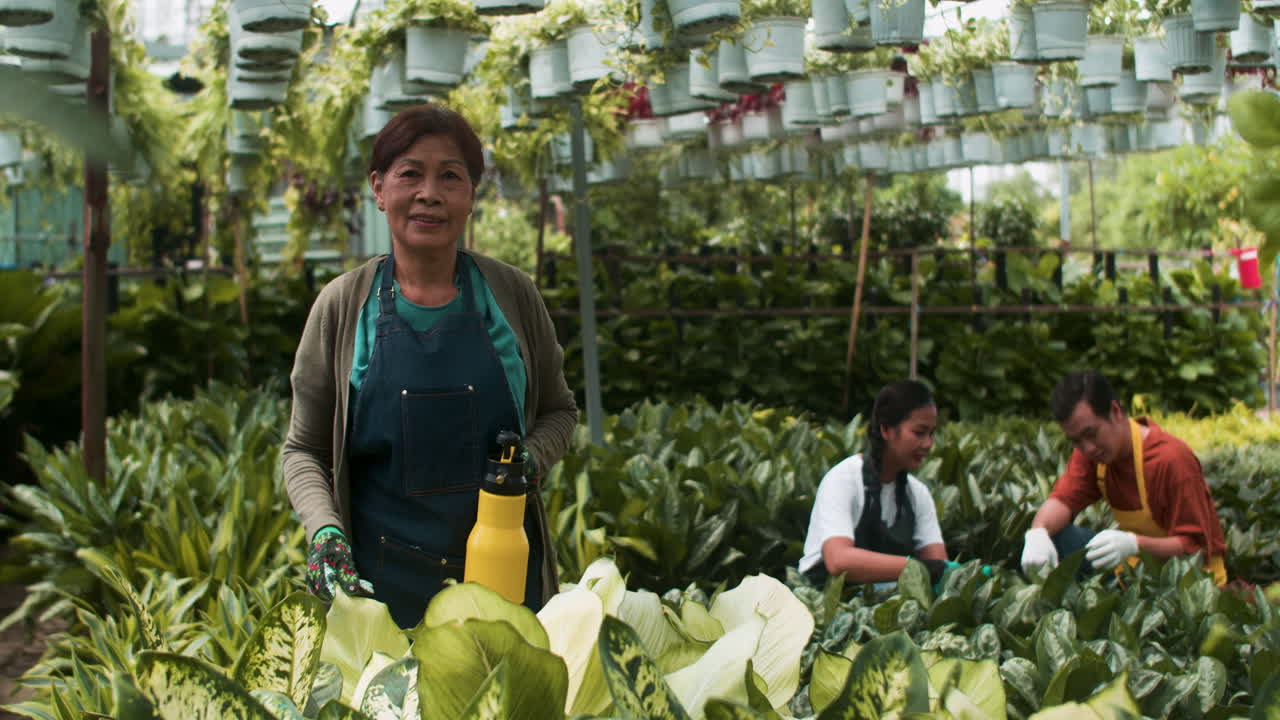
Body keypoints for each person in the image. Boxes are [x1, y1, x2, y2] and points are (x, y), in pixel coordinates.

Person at [282, 104, 578, 628]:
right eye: (410, 174)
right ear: (379, 189)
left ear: (471, 195)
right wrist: (323, 529)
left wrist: (531, 459)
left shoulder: (512, 296)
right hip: (380, 593)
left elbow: (559, 411)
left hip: (505, 586)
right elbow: (303, 448)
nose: (430, 194)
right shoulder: (342, 307)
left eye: (450, 176)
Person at [1020, 370, 1227, 585]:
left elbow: (1196, 549)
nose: (1087, 448)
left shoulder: (1170, 460)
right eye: (1076, 440)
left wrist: (1134, 545)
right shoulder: (1091, 454)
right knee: (1055, 540)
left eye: (1092, 434)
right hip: (1133, 569)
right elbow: (1062, 500)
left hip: (1190, 581)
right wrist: (1037, 532)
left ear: (1115, 411)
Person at [798, 380, 952, 587]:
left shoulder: (918, 494)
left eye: (932, 433)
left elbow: (940, 567)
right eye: (919, 432)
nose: (928, 444)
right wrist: (918, 568)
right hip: (823, 604)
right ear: (886, 430)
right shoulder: (844, 479)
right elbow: (838, 560)